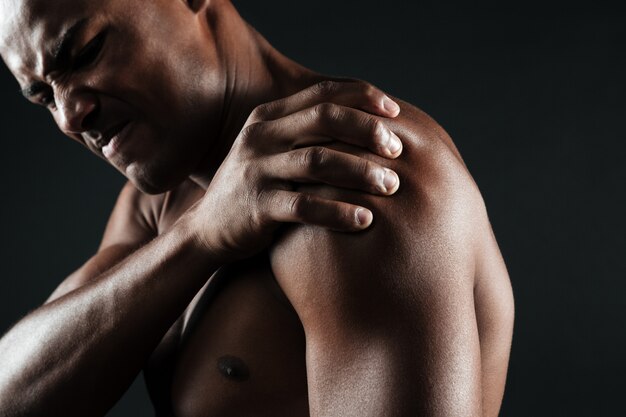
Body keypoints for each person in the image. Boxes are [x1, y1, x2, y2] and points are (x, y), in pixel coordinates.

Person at [0, 0, 514, 416]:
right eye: (43, 96)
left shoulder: (349, 178)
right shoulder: (159, 204)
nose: (70, 116)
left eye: (87, 51)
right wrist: (201, 236)